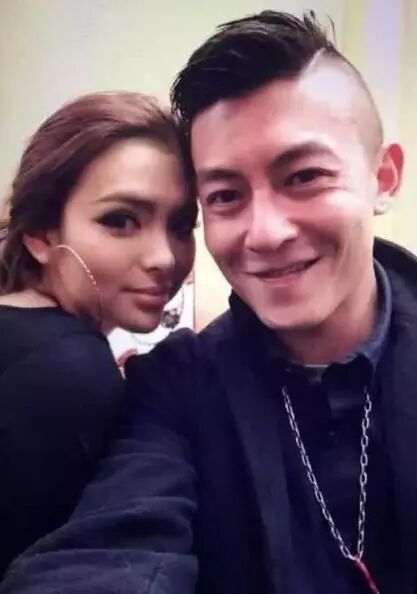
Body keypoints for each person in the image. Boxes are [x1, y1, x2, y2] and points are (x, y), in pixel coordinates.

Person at [1, 9, 415, 594]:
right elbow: (115, 544)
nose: (265, 233)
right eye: (224, 196)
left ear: (384, 177)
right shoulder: (175, 385)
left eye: (303, 177)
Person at [0, 91, 196, 578]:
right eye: (120, 221)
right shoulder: (69, 369)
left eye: (181, 224)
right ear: (41, 234)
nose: (164, 258)